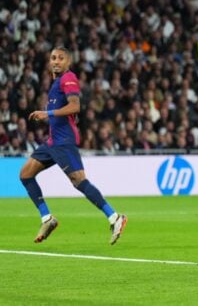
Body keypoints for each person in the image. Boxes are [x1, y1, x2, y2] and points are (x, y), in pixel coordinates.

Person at [19, 47, 127, 245]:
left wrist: (47, 114)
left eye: (61, 58)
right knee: (25, 174)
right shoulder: (55, 83)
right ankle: (47, 219)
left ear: (68, 61)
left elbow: (75, 106)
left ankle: (114, 217)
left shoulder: (68, 78)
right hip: (52, 142)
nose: (56, 61)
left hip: (63, 142)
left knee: (79, 182)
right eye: (53, 58)